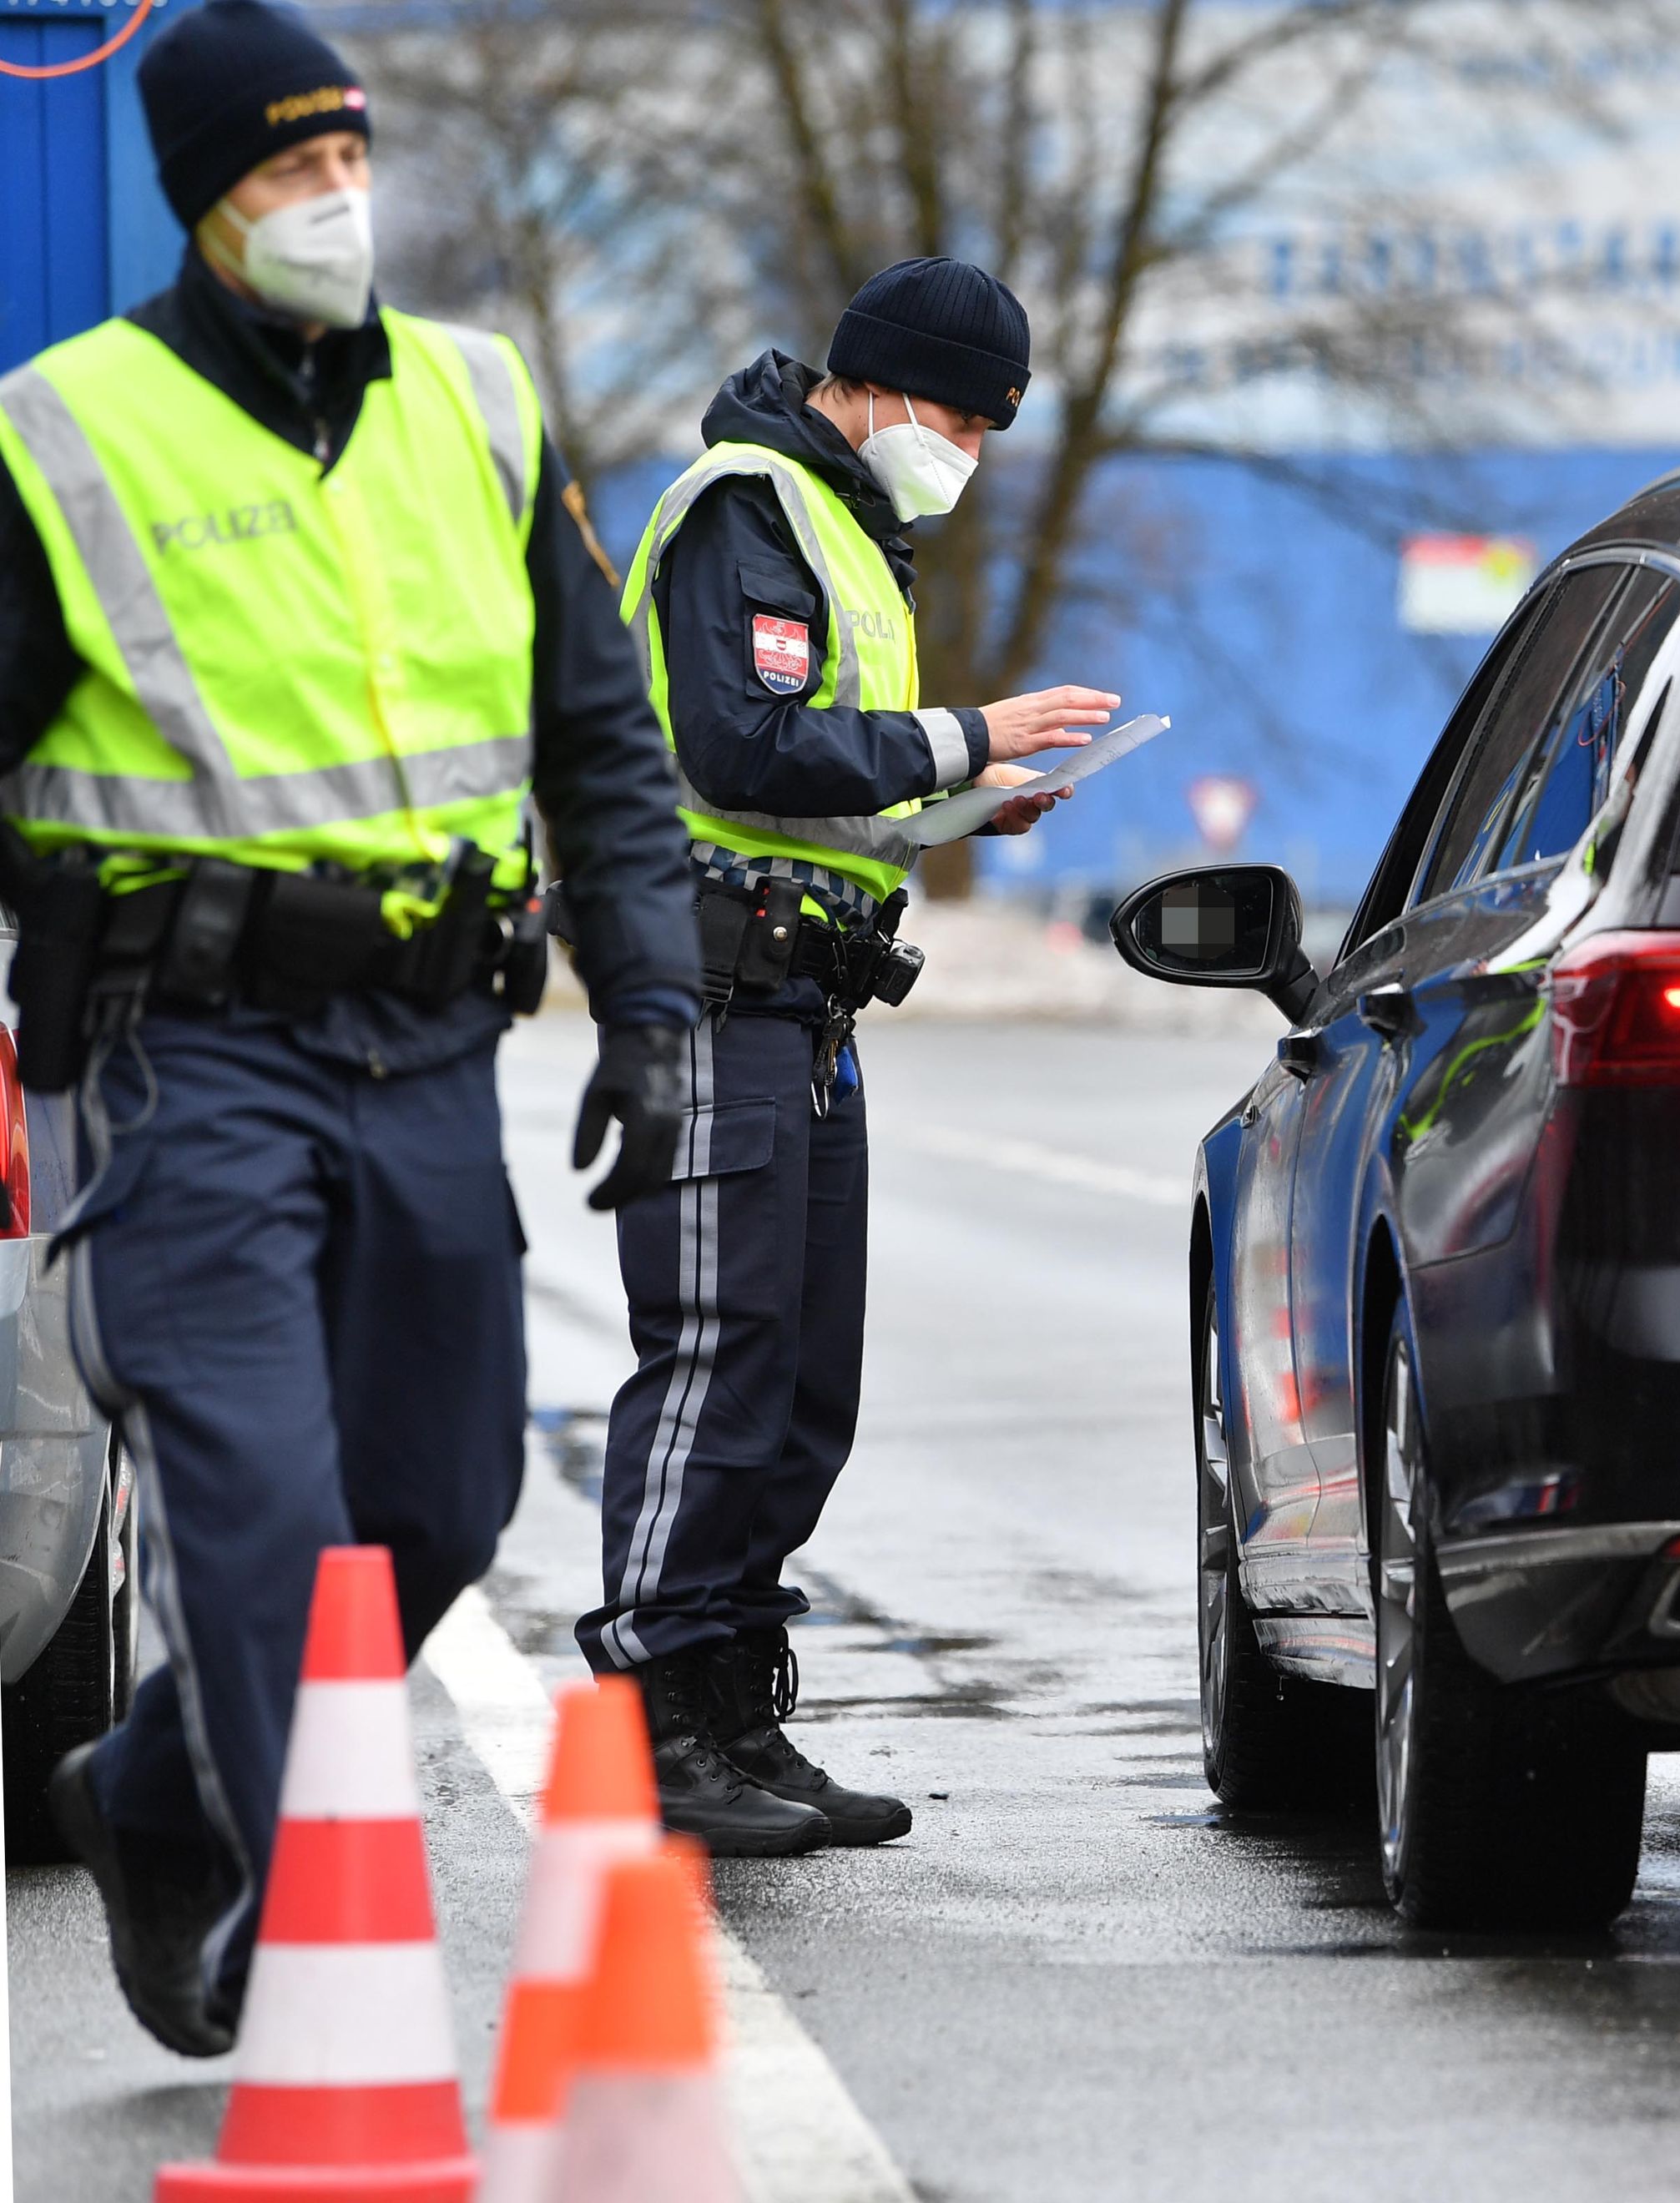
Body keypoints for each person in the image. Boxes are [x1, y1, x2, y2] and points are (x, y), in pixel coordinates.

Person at [0, 1, 702, 2056]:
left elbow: (601, 742)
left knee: (437, 1508)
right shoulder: (68, 433)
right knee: (264, 1521)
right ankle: (307, 1966)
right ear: (204, 200)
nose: (331, 199)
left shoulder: (475, 406)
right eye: (285, 170)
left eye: (346, 160)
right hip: (174, 1060)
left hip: (424, 1050)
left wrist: (649, 1009)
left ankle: (148, 1791)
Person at [582, 258, 1110, 1854]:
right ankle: (654, 1714)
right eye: (956, 409)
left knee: (805, 1386)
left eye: (992, 424)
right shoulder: (748, 506)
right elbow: (734, 743)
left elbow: (814, 775)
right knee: (716, 1361)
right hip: (710, 994)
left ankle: (736, 1708)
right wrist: (968, 738)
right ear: (870, 382)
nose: (965, 443)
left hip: (804, 1005)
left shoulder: (846, 529)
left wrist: (951, 810)